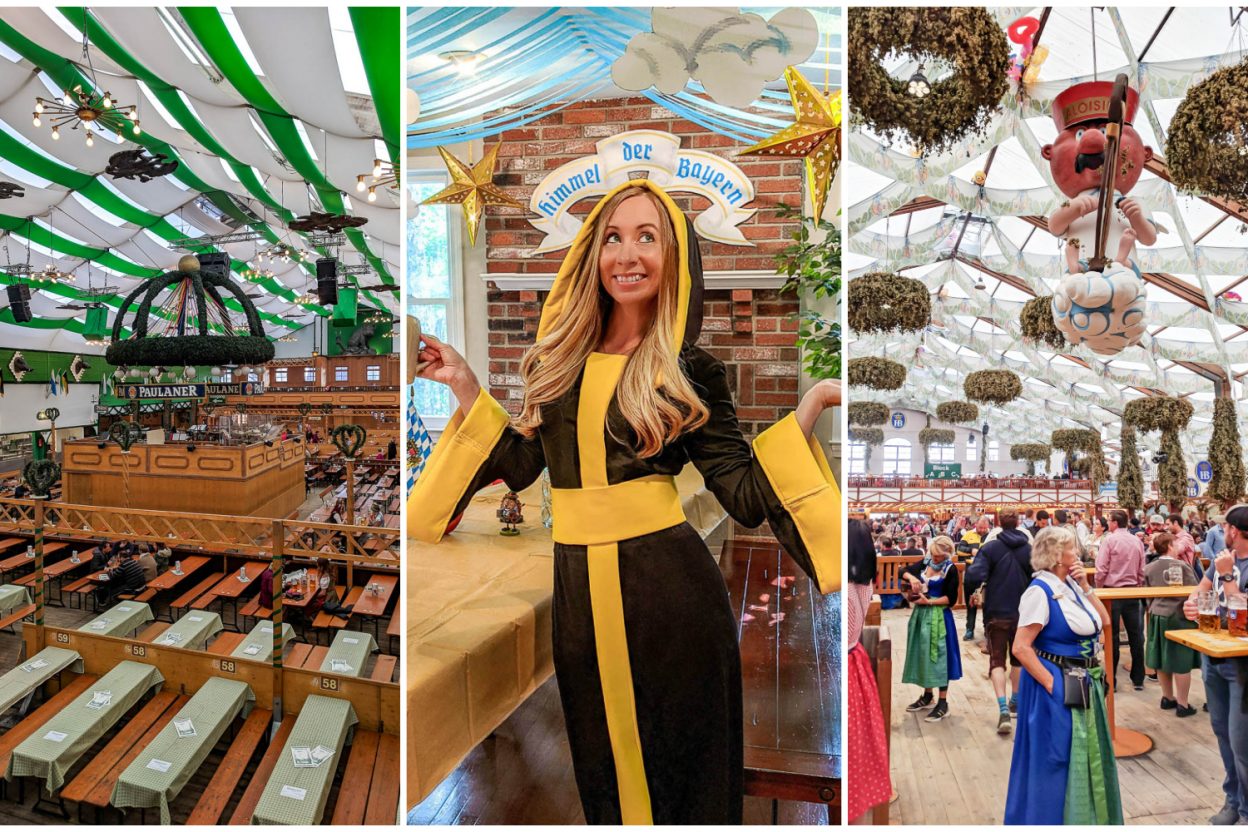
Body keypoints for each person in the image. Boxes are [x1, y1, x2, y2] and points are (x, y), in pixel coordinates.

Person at [408, 180, 838, 824]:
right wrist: (465, 384)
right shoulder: (559, 363)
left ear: (675, 262)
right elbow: (525, 467)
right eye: (613, 236)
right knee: (602, 763)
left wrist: (812, 404)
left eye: (648, 237)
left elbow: (746, 495)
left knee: (679, 767)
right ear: (592, 253)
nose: (627, 253)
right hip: (580, 593)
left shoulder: (690, 372)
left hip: (670, 600)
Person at [1006, 525, 1120, 824]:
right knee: (1057, 757)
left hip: (1082, 681)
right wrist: (1052, 684)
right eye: (1072, 548)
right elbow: (1021, 647)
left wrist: (1086, 587)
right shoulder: (1039, 592)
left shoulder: (1069, 585)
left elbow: (1104, 621)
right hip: (1057, 683)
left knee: (1084, 753)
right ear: (1058, 555)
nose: (1078, 552)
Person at [1182, 504, 1248, 825]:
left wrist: (1226, 574)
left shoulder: (1230, 565)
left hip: (1243, 665)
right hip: (1214, 653)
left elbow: (1244, 617)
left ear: (1233, 531)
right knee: (1221, 731)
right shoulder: (1222, 560)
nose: (1222, 533)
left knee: (1242, 740)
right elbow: (1201, 590)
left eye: (1224, 528)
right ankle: (1233, 800)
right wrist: (1192, 604)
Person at [964, 511, 1032, 734]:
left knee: (996, 661)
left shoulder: (990, 548)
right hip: (1024, 612)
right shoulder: (1028, 549)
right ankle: (1016, 700)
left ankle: (1003, 708)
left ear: (999, 525)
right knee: (1019, 658)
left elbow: (974, 575)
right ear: (1019, 523)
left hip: (996, 611)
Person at [847, 519, 890, 823]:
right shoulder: (864, 583)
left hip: (848, 664)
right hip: (855, 661)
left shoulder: (847, 589)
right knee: (858, 753)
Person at [900, 536, 962, 722]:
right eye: (933, 555)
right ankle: (927, 695)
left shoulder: (950, 569)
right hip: (921, 615)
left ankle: (943, 702)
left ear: (947, 554)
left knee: (940, 657)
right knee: (923, 654)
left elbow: (951, 599)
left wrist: (930, 601)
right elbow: (902, 570)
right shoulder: (924, 563)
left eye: (939, 557)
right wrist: (912, 579)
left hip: (939, 616)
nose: (935, 560)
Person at [1142, 532, 1199, 717]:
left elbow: (1147, 593)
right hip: (1179, 616)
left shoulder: (1149, 568)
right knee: (1181, 659)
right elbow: (1195, 590)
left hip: (1158, 615)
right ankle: (1183, 704)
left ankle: (1167, 697)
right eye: (1175, 544)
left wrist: (1153, 608)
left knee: (1161, 657)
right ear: (1169, 546)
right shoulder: (1182, 566)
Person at [1095, 509, 1147, 691]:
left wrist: (1099, 588)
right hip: (1132, 591)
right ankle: (1139, 679)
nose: (1108, 523)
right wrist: (1138, 584)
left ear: (1115, 523)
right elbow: (1142, 568)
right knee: (1136, 636)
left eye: (1109, 520)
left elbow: (1101, 568)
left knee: (1112, 637)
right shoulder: (1137, 541)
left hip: (1112, 593)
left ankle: (1111, 681)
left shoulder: (1109, 540)